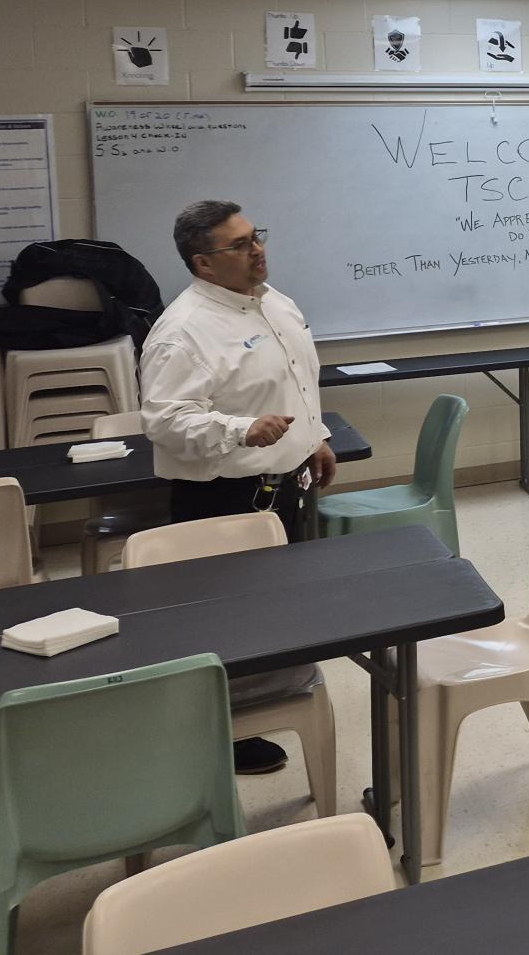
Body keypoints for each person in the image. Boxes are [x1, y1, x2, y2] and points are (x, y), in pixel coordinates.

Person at [141, 200, 337, 776]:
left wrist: (315, 438)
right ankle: (220, 737)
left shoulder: (273, 302)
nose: (258, 250)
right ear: (203, 263)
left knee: (276, 609)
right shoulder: (182, 331)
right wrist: (239, 429)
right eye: (240, 244)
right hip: (225, 497)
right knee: (224, 623)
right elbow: (165, 421)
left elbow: (295, 382)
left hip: (284, 484)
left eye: (256, 236)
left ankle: (266, 705)